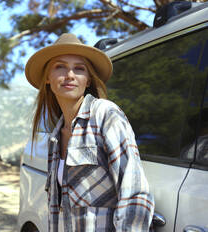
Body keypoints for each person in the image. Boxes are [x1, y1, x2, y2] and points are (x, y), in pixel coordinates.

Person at [25, 33, 154, 231]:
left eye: (79, 69)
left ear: (87, 80)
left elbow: (135, 192)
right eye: (60, 67)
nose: (70, 75)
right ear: (48, 79)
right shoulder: (55, 138)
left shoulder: (105, 114)